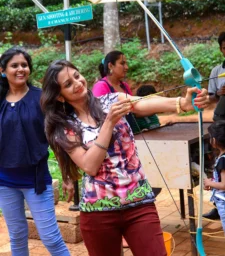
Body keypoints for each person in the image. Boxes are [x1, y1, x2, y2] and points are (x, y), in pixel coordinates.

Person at [40, 59, 208, 256]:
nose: (77, 83)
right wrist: (108, 122)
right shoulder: (65, 127)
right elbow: (90, 166)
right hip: (98, 212)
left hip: (139, 203)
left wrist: (183, 103)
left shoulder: (113, 100)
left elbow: (143, 104)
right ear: (60, 96)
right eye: (68, 84)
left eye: (77, 76)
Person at [0, 48, 71, 256]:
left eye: (24, 65)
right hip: (4, 182)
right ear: (3, 70)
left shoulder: (41, 99)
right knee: (17, 236)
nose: (21, 69)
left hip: (36, 180)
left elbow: (57, 139)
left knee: (50, 238)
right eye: (15, 65)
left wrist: (66, 175)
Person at [203, 32, 225, 220]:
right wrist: (218, 93)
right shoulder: (216, 71)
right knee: (219, 160)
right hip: (221, 119)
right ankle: (218, 205)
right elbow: (210, 98)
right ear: (221, 49)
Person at [203, 121, 225, 232]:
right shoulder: (222, 156)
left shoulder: (223, 160)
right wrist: (214, 182)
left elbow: (224, 185)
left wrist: (209, 183)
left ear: (214, 141)